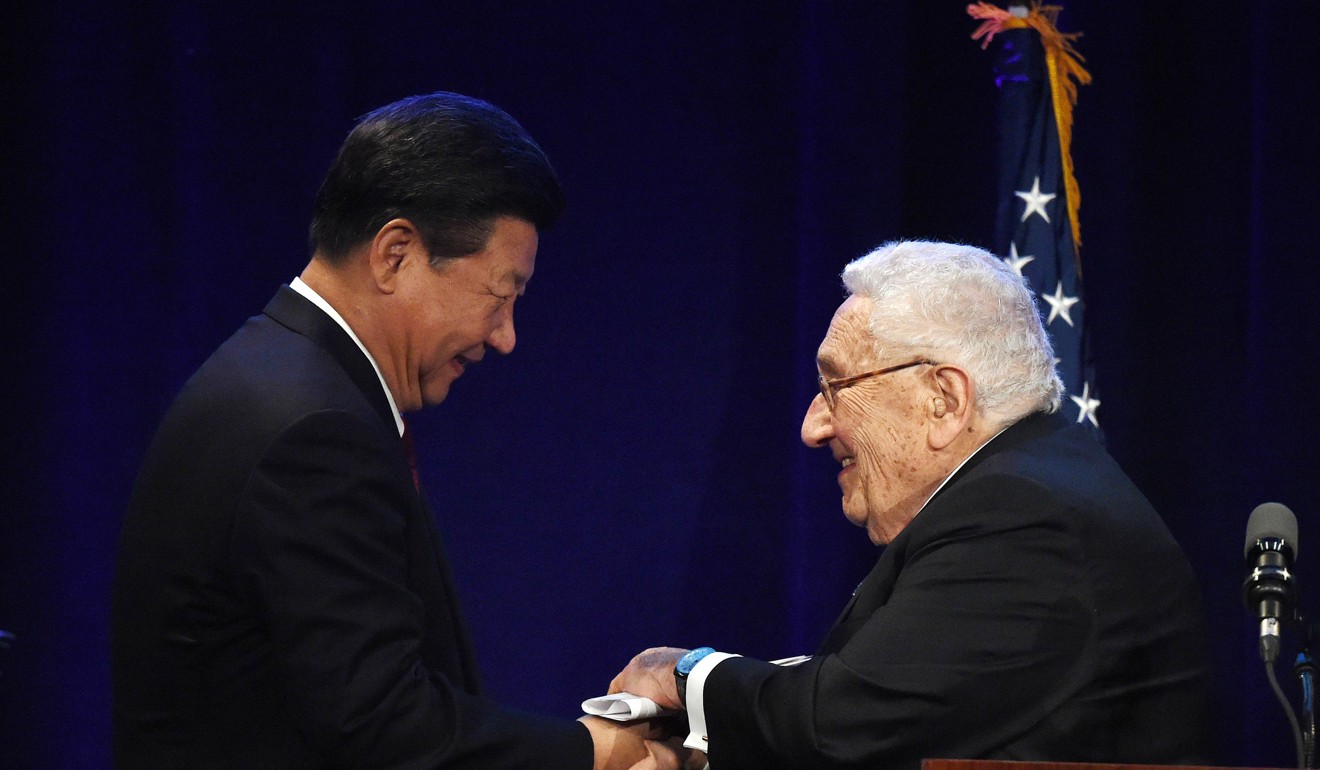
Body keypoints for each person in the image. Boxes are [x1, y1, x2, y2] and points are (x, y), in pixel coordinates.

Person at [112, 91, 661, 770]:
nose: (507, 337)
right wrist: (595, 752)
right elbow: (380, 723)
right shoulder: (312, 429)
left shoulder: (277, 376)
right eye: (501, 296)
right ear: (395, 254)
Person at [609, 241, 1211, 770]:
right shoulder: (1029, 488)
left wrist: (682, 674)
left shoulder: (1023, 518)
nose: (813, 426)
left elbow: (839, 723)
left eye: (836, 387)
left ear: (943, 401)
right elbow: (887, 688)